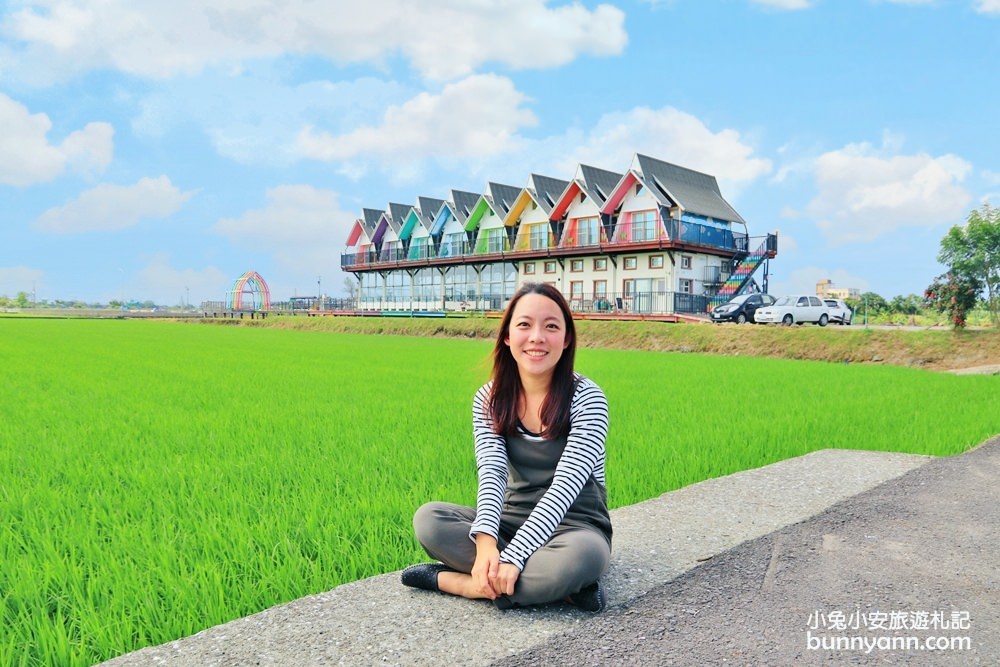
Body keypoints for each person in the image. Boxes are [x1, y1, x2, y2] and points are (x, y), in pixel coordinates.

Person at [402, 282, 612, 611]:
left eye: (551, 326)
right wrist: (487, 544)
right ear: (507, 336)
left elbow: (565, 487)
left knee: (580, 559)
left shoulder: (587, 398)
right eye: (524, 325)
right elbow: (493, 473)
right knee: (429, 519)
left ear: (567, 338)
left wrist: (513, 557)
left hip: (574, 527)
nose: (537, 337)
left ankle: (458, 583)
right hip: (510, 522)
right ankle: (560, 590)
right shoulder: (489, 398)